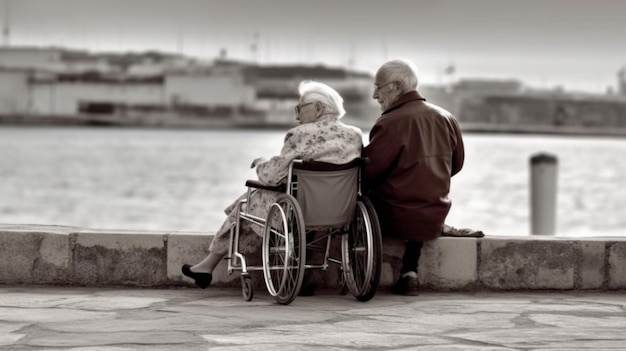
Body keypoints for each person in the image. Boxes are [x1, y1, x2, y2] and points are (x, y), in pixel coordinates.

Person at [182, 80, 363, 295]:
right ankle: (207, 266)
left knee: (246, 203)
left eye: (299, 108)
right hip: (340, 211)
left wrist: (260, 163)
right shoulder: (355, 135)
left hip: (300, 212)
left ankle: (207, 265)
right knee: (255, 201)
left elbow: (272, 176)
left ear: (318, 108)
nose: (297, 116)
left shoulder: (300, 134)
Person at [362, 58, 465, 295]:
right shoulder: (447, 118)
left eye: (378, 86)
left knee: (363, 190)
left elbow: (370, 171)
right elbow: (456, 165)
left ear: (396, 87)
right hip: (434, 212)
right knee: (417, 192)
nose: (374, 95)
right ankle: (410, 272)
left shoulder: (389, 123)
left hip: (396, 214)